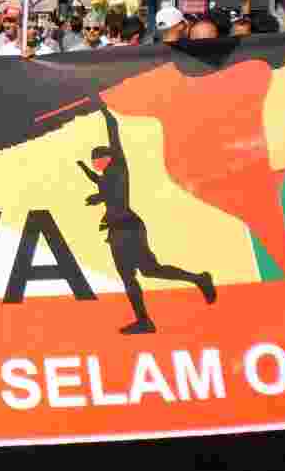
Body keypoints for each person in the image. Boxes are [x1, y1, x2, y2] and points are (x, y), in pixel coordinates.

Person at [77, 105, 216, 334]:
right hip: (117, 232)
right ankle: (144, 320)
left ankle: (198, 279)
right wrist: (85, 171)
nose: (95, 164)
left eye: (97, 160)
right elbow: (101, 184)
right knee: (131, 276)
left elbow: (113, 136)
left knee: (149, 271)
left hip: (128, 229)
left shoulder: (119, 167)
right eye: (93, 162)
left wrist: (105, 111)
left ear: (108, 157)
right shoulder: (105, 176)